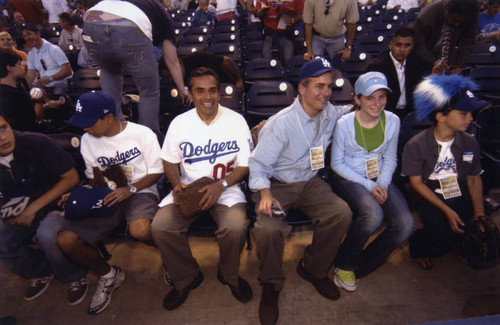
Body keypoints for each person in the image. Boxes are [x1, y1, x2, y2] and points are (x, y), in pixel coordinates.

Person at [248, 58, 352, 325]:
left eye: (329, 86)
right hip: (276, 185)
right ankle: (271, 284)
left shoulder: (329, 111)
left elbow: (345, 110)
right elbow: (257, 166)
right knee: (269, 228)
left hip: (309, 181)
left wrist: (363, 103)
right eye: (319, 86)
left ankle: (313, 268)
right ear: (301, 88)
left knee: (340, 213)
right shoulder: (280, 124)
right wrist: (266, 194)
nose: (326, 93)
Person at [151, 67, 253, 310]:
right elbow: (169, 159)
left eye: (212, 91)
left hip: (226, 188)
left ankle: (229, 275)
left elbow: (247, 164)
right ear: (190, 93)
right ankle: (186, 277)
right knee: (161, 226)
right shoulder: (179, 123)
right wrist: (176, 184)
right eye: (200, 91)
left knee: (236, 226)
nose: (207, 97)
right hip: (190, 189)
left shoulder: (236, 120)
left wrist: (222, 185)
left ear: (219, 93)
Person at [57, 91, 164, 314]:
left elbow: (157, 171)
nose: (84, 129)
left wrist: (131, 189)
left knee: (140, 229)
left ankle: (170, 255)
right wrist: (83, 192)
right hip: (107, 192)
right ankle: (108, 275)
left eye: (89, 123)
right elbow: (93, 177)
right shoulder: (88, 140)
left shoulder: (142, 133)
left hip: (141, 189)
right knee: (66, 240)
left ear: (108, 118)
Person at [330, 71, 414, 293]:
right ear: (357, 99)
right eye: (370, 97)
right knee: (373, 214)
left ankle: (358, 264)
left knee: (405, 223)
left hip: (379, 177)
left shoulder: (393, 120)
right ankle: (344, 264)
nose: (377, 104)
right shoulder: (344, 123)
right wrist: (369, 186)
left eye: (382, 97)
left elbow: (391, 157)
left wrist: (382, 184)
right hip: (348, 176)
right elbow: (337, 164)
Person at [402, 74, 490, 270]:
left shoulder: (470, 142)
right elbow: (416, 183)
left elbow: (474, 179)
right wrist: (447, 211)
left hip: (457, 187)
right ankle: (419, 245)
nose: (471, 118)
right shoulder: (416, 145)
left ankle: (458, 241)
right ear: (441, 116)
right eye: (463, 113)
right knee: (441, 232)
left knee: (474, 222)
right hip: (429, 192)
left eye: (471, 113)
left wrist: (479, 214)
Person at [0, 110, 87, 304]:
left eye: (3, 128)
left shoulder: (35, 142)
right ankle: (41, 270)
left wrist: (31, 210)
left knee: (46, 235)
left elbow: (71, 178)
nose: (2, 138)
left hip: (54, 202)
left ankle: (73, 275)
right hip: (17, 207)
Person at [82, 0, 186, 134]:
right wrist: (182, 89)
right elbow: (172, 60)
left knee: (109, 73)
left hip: (91, 21)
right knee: (149, 93)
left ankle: (115, 134)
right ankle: (147, 139)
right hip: (129, 26)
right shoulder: (162, 13)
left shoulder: (131, 3)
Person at [367, 27, 423, 120]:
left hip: (410, 114)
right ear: (391, 45)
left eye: (407, 45)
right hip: (385, 113)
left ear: (412, 46)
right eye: (398, 45)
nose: (402, 50)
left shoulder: (416, 66)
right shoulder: (377, 67)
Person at [411, 0, 480, 75]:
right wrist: (434, 62)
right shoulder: (426, 16)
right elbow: (418, 45)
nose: (457, 24)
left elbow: (468, 41)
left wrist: (459, 66)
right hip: (422, 58)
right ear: (447, 9)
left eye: (461, 22)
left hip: (447, 57)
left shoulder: (473, 12)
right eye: (454, 20)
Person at [21, 23, 73, 96]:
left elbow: (67, 71)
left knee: (57, 93)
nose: (27, 38)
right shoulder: (31, 54)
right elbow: (30, 75)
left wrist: (50, 79)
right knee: (33, 91)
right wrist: (23, 89)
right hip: (45, 85)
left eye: (29, 34)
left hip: (60, 83)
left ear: (38, 34)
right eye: (25, 36)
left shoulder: (53, 49)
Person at [159, 51, 244, 93]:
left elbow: (227, 62)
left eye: (171, 75)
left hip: (225, 88)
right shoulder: (173, 82)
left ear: (178, 63)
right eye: (168, 77)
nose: (171, 79)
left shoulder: (198, 58)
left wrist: (238, 80)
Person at [255, 0, 305, 65]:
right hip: (269, 34)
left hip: (287, 34)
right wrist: (263, 11)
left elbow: (302, 13)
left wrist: (294, 20)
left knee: (289, 61)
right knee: (267, 62)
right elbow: (258, 13)